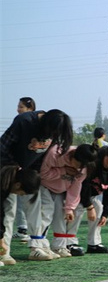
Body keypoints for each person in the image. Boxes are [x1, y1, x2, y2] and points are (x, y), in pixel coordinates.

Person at [0, 109, 73, 265]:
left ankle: (36, 247)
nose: (52, 136)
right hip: (8, 173)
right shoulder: (24, 122)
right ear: (44, 124)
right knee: (8, 211)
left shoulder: (54, 130)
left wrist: (35, 176)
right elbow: (2, 148)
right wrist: (15, 170)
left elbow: (43, 157)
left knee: (38, 207)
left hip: (29, 174)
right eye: (52, 133)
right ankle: (3, 253)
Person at [73, 143, 108, 255]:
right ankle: (69, 242)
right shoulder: (94, 161)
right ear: (106, 154)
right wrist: (89, 206)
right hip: (76, 192)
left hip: (93, 194)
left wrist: (106, 214)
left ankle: (93, 243)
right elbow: (83, 185)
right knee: (78, 210)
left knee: (99, 208)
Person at [1, 166, 41, 266]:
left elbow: (1, 215)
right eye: (22, 193)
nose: (21, 195)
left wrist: (1, 239)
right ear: (18, 185)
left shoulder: (6, 183)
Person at [13, 97, 37, 243]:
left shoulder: (30, 125)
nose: (18, 109)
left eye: (21, 107)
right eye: (18, 106)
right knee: (19, 199)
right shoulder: (19, 122)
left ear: (30, 109)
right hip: (19, 167)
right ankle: (23, 228)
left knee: (28, 199)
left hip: (28, 169)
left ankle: (29, 231)